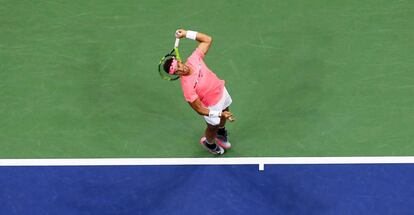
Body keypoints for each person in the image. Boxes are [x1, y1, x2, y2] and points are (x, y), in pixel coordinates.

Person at [164, 29, 234, 155]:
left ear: (179, 61)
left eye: (178, 66)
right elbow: (200, 110)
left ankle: (221, 132)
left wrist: (186, 33)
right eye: (177, 71)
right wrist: (218, 114)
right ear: (175, 75)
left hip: (221, 90)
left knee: (226, 109)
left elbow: (207, 39)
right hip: (211, 106)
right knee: (213, 126)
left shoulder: (194, 58)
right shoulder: (187, 87)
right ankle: (209, 143)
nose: (181, 69)